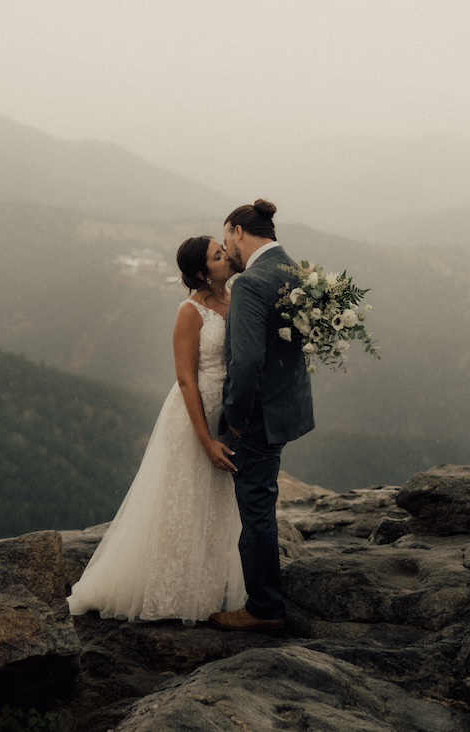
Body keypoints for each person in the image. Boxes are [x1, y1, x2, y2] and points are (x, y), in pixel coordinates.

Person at [65, 234, 247, 622]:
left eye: (224, 250)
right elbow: (185, 380)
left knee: (213, 504)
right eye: (218, 255)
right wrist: (206, 441)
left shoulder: (236, 299)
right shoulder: (190, 312)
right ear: (202, 271)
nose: (227, 257)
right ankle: (168, 593)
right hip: (193, 418)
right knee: (181, 503)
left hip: (227, 415)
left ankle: (205, 588)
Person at [209, 199, 315, 632]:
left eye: (226, 239)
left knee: (255, 509)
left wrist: (235, 415)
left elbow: (249, 360)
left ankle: (264, 607)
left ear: (238, 231)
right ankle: (265, 597)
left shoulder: (251, 283)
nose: (227, 253)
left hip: (256, 415)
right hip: (286, 406)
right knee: (261, 503)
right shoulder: (294, 270)